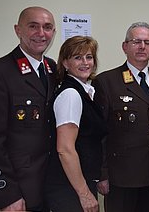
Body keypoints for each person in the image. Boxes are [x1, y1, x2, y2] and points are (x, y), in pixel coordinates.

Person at [92, 22, 149, 212]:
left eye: (147, 42)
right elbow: (98, 134)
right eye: (136, 41)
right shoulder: (106, 82)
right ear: (125, 46)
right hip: (122, 177)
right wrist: (102, 174)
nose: (142, 46)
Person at [0, 7, 57, 211]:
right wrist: (6, 193)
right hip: (19, 191)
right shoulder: (1, 72)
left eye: (47, 27)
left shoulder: (52, 69)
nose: (41, 33)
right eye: (33, 26)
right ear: (17, 30)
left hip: (51, 187)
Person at [45, 36, 107, 212]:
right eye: (77, 57)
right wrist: (84, 194)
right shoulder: (71, 94)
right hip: (69, 190)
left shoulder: (86, 91)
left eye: (89, 57)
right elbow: (65, 149)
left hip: (79, 184)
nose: (85, 62)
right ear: (65, 63)